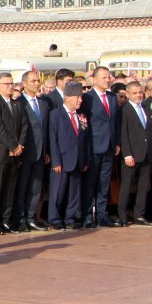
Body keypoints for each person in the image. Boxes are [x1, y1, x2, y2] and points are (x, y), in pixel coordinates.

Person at [80, 66, 121, 227]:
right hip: (93, 147)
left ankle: (102, 215)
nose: (108, 79)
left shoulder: (111, 97)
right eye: (104, 77)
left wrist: (116, 142)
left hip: (109, 147)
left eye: (109, 77)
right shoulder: (87, 98)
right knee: (90, 184)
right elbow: (84, 123)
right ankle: (88, 216)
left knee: (104, 184)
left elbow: (115, 122)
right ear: (94, 79)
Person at [0, 72, 27, 234]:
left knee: (10, 189)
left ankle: (5, 219)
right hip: (1, 152)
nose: (10, 86)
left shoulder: (17, 104)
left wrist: (21, 145)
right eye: (6, 84)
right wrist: (12, 146)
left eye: (11, 83)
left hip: (16, 153)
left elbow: (24, 125)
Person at [48, 81, 90, 229]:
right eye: (77, 97)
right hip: (62, 160)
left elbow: (85, 139)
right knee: (58, 192)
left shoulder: (81, 116)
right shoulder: (55, 115)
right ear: (67, 97)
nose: (80, 100)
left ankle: (70, 218)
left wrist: (85, 159)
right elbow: (53, 139)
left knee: (74, 192)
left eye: (81, 97)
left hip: (77, 160)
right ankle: (54, 218)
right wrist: (56, 161)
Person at [12, 71, 50, 231]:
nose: (37, 84)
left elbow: (45, 129)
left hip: (40, 152)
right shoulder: (18, 103)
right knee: (22, 188)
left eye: (38, 81)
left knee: (36, 187)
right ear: (24, 83)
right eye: (33, 81)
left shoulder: (43, 103)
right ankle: (20, 219)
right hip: (25, 152)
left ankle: (31, 217)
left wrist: (47, 151)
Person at [118, 81, 151, 225]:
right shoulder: (125, 110)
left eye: (140, 92)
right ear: (128, 94)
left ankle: (139, 214)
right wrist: (127, 154)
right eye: (135, 93)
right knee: (126, 186)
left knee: (144, 185)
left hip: (147, 153)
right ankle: (123, 216)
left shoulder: (145, 107)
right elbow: (123, 133)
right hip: (131, 154)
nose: (138, 95)